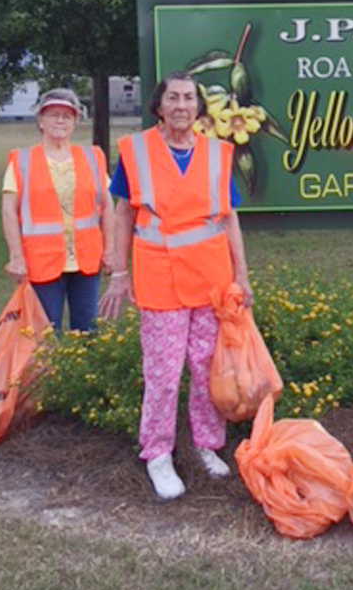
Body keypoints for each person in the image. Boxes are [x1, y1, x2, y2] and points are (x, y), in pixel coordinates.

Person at [98, 72, 253, 500]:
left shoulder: (218, 154)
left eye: (189, 97)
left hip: (211, 282)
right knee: (163, 375)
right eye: (173, 98)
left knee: (206, 372)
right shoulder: (136, 151)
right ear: (159, 106)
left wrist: (241, 276)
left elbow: (229, 218)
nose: (182, 105)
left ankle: (206, 444)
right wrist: (118, 273)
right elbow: (123, 213)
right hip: (159, 280)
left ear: (199, 107)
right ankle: (158, 453)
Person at [1, 88, 114, 332]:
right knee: (45, 332)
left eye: (67, 115)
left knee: (87, 330)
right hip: (42, 262)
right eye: (53, 114)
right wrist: (16, 256)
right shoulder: (22, 161)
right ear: (40, 121)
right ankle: (50, 372)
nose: (60, 120)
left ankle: (83, 371)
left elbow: (108, 206)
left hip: (86, 260)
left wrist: (110, 250)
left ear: (75, 122)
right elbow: (9, 211)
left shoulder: (92, 157)